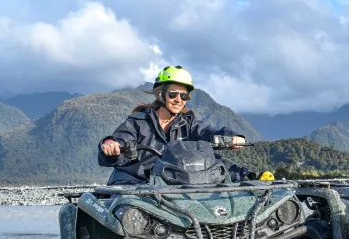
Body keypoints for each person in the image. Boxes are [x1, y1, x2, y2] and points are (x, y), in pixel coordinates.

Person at [98, 65, 253, 185]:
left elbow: (209, 132)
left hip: (172, 185)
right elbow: (119, 139)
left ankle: (251, 178)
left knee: (216, 162)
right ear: (161, 94)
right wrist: (110, 145)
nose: (179, 99)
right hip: (136, 184)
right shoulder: (138, 122)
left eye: (184, 95)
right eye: (173, 94)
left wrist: (233, 138)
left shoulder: (188, 124)